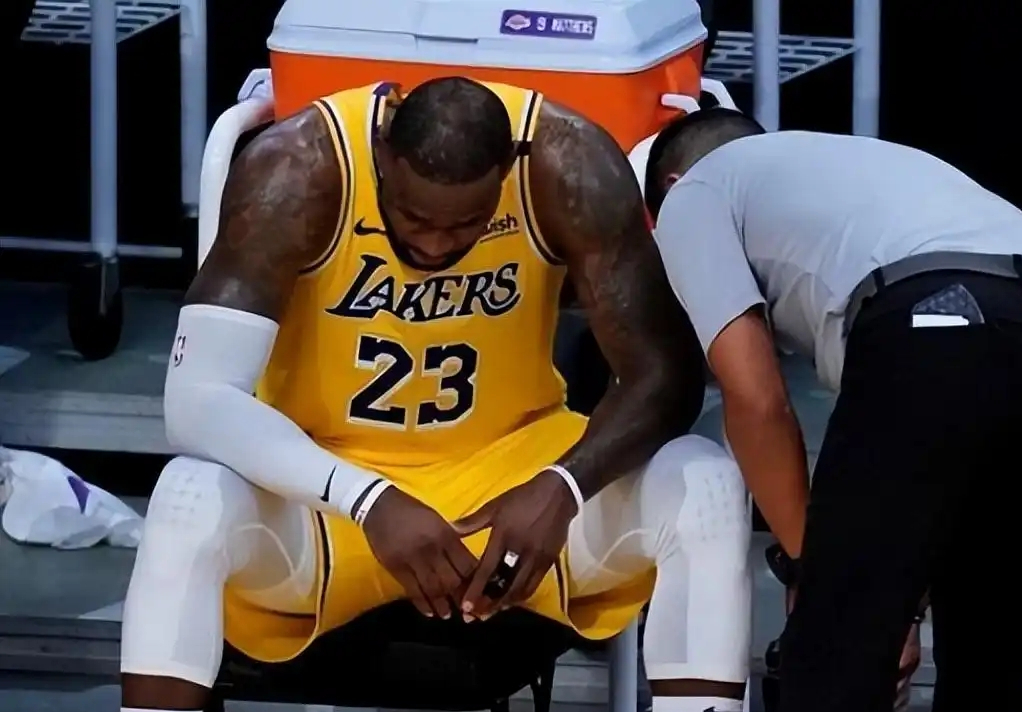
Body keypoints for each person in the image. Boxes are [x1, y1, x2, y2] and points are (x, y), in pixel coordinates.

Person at [119, 77, 754, 712]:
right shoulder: (298, 169)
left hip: (511, 489)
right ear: (382, 154)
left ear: (508, 169)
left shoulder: (568, 163)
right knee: (187, 494)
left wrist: (564, 485)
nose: (435, 243)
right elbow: (197, 400)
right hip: (327, 498)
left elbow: (664, 376)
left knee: (705, 482)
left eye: (467, 225)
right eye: (415, 217)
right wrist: (367, 499)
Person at [636, 106, 1022, 712]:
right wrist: (893, 605)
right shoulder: (852, 167)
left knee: (831, 655)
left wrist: (810, 572)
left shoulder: (694, 194)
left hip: (935, 314)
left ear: (670, 186)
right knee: (992, 644)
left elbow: (757, 400)